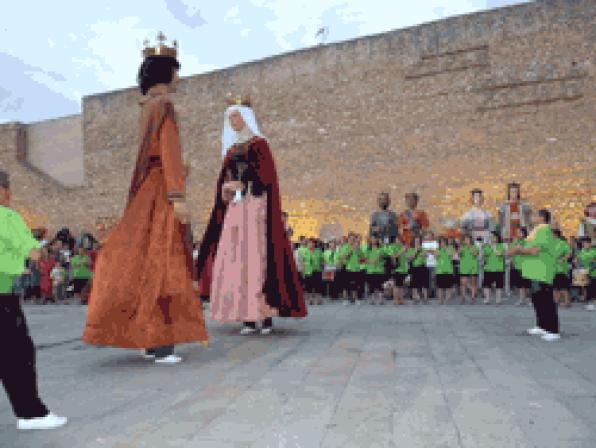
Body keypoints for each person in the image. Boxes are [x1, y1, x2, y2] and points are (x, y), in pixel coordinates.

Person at [83, 33, 208, 362]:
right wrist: (178, 192)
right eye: (176, 72)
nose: (179, 78)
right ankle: (161, 341)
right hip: (162, 191)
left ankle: (150, 340)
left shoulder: (147, 107)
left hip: (150, 188)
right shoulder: (165, 106)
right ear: (166, 74)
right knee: (164, 263)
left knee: (145, 261)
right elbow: (167, 150)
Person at [196, 94, 307, 335]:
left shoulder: (259, 144)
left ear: (245, 116)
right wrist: (226, 188)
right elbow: (224, 178)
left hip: (256, 206)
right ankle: (246, 317)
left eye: (235, 115)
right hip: (236, 209)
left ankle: (264, 315)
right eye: (229, 117)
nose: (232, 120)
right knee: (237, 260)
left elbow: (266, 177)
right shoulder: (231, 149)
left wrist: (243, 184)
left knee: (257, 258)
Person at [0, 170, 68, 430]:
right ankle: (31, 414)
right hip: (2, 296)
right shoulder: (6, 216)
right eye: (7, 188)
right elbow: (34, 252)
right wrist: (40, 247)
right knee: (17, 355)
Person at [507, 209, 560, 341]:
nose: (531, 217)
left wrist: (519, 250)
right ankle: (541, 325)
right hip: (534, 272)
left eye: (534, 215)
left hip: (542, 271)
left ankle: (553, 330)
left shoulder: (544, 230)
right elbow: (527, 247)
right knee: (537, 299)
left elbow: (534, 250)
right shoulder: (535, 231)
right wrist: (516, 250)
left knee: (546, 300)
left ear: (542, 218)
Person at [482, 232, 506, 305]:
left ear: (497, 237)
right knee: (487, 285)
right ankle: (487, 299)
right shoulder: (487, 246)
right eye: (491, 237)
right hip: (488, 268)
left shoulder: (501, 246)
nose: (491, 238)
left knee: (499, 285)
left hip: (498, 268)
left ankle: (498, 300)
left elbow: (498, 254)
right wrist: (483, 248)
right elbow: (484, 255)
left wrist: (493, 247)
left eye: (493, 237)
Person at [510, 228, 531, 306]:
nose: (518, 234)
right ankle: (521, 299)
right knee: (520, 284)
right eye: (517, 232)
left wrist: (519, 249)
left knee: (527, 284)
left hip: (526, 265)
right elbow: (511, 251)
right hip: (517, 265)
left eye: (519, 232)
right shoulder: (515, 241)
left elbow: (526, 252)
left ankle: (530, 300)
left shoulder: (528, 241)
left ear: (524, 233)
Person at [552, 229, 572, 308]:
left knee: (563, 287)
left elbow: (569, 253)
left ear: (556, 235)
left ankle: (567, 302)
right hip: (553, 269)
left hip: (561, 269)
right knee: (555, 287)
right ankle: (556, 301)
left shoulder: (562, 243)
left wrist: (563, 259)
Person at [365, 236, 386, 305]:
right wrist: (370, 262)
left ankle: (380, 299)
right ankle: (372, 299)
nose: (373, 240)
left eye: (375, 239)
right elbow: (365, 258)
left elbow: (382, 255)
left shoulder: (380, 249)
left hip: (379, 269)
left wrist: (376, 260)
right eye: (372, 239)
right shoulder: (368, 249)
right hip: (370, 270)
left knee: (380, 285)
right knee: (371, 285)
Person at [458, 235, 479, 304]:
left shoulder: (475, 247)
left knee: (473, 283)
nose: (466, 241)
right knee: (463, 283)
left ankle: (473, 297)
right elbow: (459, 255)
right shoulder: (462, 247)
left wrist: (469, 248)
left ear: (471, 240)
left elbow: (475, 254)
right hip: (464, 267)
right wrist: (460, 250)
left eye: (468, 239)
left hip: (473, 267)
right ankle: (463, 297)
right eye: (465, 240)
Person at [408, 236, 429, 304]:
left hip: (422, 267)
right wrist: (416, 251)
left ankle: (425, 298)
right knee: (415, 284)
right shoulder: (411, 249)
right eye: (416, 241)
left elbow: (426, 256)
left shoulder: (423, 249)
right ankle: (416, 298)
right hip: (415, 267)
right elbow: (410, 258)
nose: (417, 242)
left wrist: (422, 252)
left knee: (424, 284)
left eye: (418, 241)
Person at [576, 237, 595, 311]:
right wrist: (577, 263)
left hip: (593, 273)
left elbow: (594, 262)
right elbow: (577, 259)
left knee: (593, 289)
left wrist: (589, 269)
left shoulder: (594, 251)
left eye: (586, 243)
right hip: (584, 273)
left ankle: (593, 304)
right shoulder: (582, 251)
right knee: (586, 288)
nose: (584, 244)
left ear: (590, 244)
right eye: (583, 243)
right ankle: (589, 303)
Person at [434, 237, 454, 305]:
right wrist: (439, 252)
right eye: (440, 242)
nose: (442, 243)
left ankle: (447, 300)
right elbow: (436, 257)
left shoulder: (450, 248)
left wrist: (445, 249)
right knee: (440, 287)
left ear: (446, 242)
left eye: (443, 242)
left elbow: (451, 255)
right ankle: (440, 300)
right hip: (440, 270)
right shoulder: (437, 249)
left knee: (448, 287)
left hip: (448, 270)